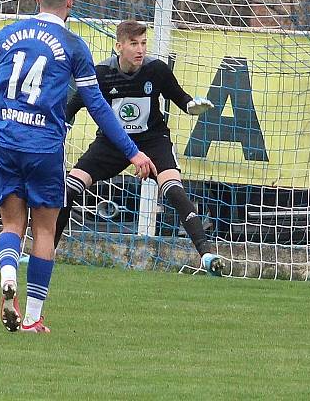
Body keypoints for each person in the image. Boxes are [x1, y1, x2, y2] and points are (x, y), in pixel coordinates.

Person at [0, 0, 156, 333]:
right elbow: (99, 107)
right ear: (70, 2)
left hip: (5, 139)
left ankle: (8, 275)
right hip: (44, 146)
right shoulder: (73, 46)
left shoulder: (7, 35)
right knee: (44, 228)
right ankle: (34, 318)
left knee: (11, 223)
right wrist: (133, 151)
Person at [55, 19, 220, 274]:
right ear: (119, 46)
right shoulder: (101, 73)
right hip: (112, 143)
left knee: (174, 191)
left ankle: (207, 255)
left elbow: (182, 99)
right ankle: (44, 254)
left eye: (143, 43)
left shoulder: (157, 70)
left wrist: (191, 107)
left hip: (152, 141)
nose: (140, 49)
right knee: (67, 189)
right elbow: (72, 105)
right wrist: (59, 125)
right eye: (134, 44)